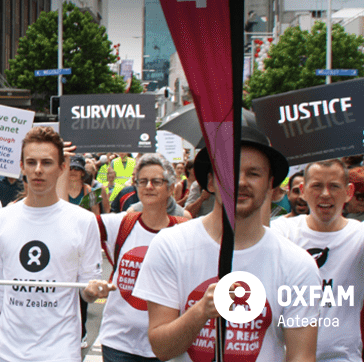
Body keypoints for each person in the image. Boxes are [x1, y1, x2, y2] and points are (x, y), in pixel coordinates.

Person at [133, 124, 320, 362]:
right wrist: (202, 311)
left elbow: (301, 356)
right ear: (211, 182)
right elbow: (162, 348)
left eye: (254, 173)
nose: (241, 182)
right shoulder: (169, 245)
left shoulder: (298, 264)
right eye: (229, 171)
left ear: (270, 185)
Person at [269, 124, 364, 362]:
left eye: (334, 186)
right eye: (317, 186)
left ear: (348, 192)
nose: (325, 194)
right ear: (302, 191)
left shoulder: (362, 236)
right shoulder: (279, 231)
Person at [0, 126, 106, 362]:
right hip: (7, 353)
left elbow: (89, 289)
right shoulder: (0, 219)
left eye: (47, 162)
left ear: (62, 168)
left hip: (61, 352)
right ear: (21, 166)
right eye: (31, 162)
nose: (38, 170)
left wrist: (92, 291)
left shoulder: (83, 221)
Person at [93, 153, 189, 361]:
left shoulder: (185, 231)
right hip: (119, 344)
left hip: (166, 346)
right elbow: (74, 226)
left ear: (171, 188)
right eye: (142, 181)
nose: (148, 187)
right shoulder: (121, 223)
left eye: (156, 182)